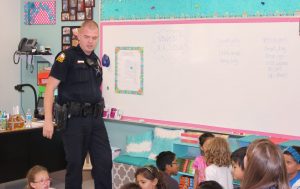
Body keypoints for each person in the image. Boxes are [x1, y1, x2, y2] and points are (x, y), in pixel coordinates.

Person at [43, 20, 112, 189]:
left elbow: (95, 89)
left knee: (104, 163)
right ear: (78, 36)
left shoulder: (95, 60)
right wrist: (47, 120)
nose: (90, 41)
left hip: (95, 120)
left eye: (94, 38)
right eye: (87, 37)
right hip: (74, 121)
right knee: (75, 166)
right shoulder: (66, 57)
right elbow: (50, 88)